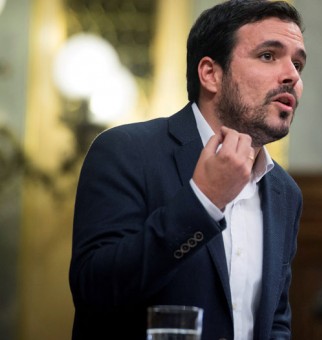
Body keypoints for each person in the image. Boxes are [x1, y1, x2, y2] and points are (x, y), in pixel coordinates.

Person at [69, 1, 306, 339]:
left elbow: (275, 320)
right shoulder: (126, 152)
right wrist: (203, 202)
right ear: (210, 73)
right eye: (268, 55)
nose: (292, 76)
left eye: (298, 63)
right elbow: (95, 292)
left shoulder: (285, 192)